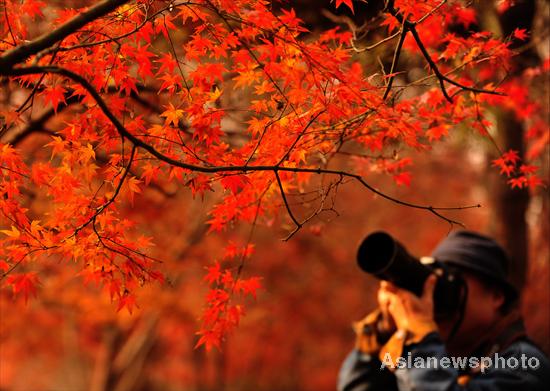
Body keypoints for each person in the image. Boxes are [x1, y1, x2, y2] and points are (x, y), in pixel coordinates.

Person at [338, 230, 550, 391]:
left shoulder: (524, 365)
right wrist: (382, 335)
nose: (434, 299)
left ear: (496, 296)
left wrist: (418, 342)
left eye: (450, 285)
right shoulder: (436, 355)